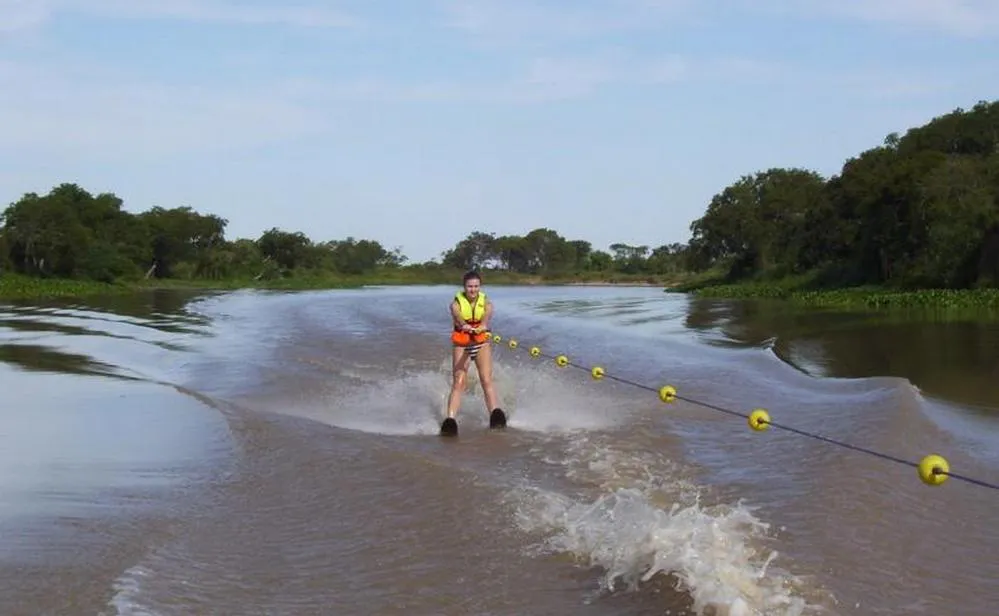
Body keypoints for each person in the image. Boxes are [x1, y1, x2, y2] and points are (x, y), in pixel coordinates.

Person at [440, 270, 505, 435]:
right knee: (459, 382)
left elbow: (487, 315)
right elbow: (458, 316)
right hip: (462, 344)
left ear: (480, 287)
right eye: (470, 286)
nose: (473, 290)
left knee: (486, 380)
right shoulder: (455, 304)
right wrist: (464, 325)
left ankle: (495, 414)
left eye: (476, 286)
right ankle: (450, 419)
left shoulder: (487, 303)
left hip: (481, 343)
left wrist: (483, 324)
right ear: (464, 287)